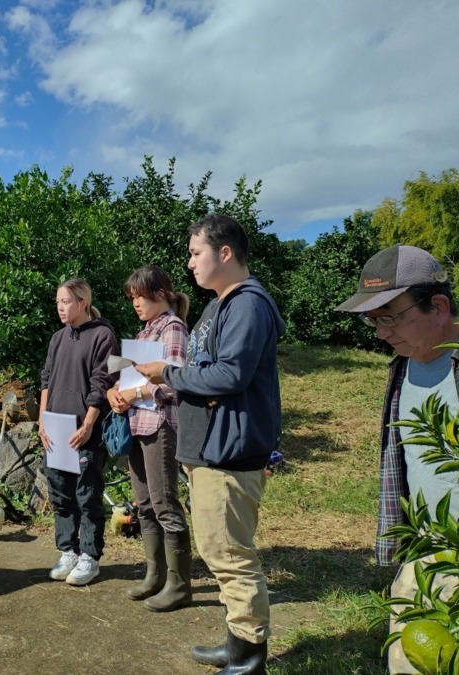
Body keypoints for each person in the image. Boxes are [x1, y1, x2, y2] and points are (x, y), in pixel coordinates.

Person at [137, 214, 284, 675]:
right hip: (210, 449)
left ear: (224, 253)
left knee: (230, 554)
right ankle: (237, 643)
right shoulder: (221, 305)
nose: (189, 263)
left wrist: (168, 374)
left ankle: (248, 658)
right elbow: (210, 369)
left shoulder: (247, 304)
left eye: (195, 252)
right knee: (220, 550)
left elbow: (230, 375)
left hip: (228, 452)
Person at [334, 244, 459, 674]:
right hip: (423, 550)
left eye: (389, 317)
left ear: (438, 307)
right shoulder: (404, 367)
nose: (380, 333)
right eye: (372, 320)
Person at [106, 265, 192, 612]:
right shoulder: (144, 334)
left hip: (160, 425)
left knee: (165, 504)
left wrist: (136, 392)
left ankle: (179, 585)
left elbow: (177, 380)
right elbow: (128, 378)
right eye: (132, 298)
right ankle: (155, 575)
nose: (135, 304)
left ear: (160, 294)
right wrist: (115, 392)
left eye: (139, 297)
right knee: (144, 505)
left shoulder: (173, 328)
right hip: (137, 424)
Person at [38, 278, 119, 586]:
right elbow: (46, 379)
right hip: (55, 428)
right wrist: (42, 421)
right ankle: (68, 551)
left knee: (87, 495)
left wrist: (88, 424)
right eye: (58, 302)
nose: (60, 307)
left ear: (83, 302)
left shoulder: (102, 334)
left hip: (85, 431)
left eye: (66, 302)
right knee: (61, 495)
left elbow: (102, 382)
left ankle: (90, 557)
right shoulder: (58, 338)